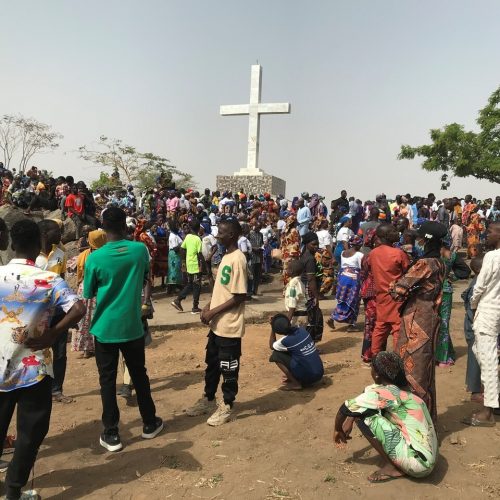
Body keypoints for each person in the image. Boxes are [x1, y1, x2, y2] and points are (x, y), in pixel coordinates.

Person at [0, 220, 85, 500]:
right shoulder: (48, 279)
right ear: (39, 244)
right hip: (33, 369)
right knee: (31, 432)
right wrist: (54, 333)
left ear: (12, 244)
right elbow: (78, 308)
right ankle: (14, 490)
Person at [83, 207, 163, 452]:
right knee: (139, 374)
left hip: (105, 327)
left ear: (103, 228)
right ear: (124, 226)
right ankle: (149, 422)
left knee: (107, 381)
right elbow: (145, 277)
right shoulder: (139, 250)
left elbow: (89, 292)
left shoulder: (94, 258)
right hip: (132, 326)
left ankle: (111, 433)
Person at [334, 352, 438, 483]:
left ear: (376, 375)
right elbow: (368, 392)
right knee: (369, 408)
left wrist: (338, 429)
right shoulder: (404, 390)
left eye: (372, 368)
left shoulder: (385, 393)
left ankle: (392, 466)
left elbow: (344, 408)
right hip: (430, 457)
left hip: (419, 465)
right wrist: (350, 419)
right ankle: (400, 460)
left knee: (365, 417)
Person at [186, 218, 247, 426]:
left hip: (229, 326)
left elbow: (239, 296)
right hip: (217, 326)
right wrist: (209, 306)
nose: (217, 236)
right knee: (211, 364)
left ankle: (227, 405)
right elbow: (223, 290)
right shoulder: (226, 257)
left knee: (228, 368)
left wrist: (213, 312)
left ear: (231, 235)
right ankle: (208, 399)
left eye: (221, 233)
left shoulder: (238, 259)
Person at [392, 221, 447, 423]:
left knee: (411, 369)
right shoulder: (440, 263)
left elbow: (397, 291)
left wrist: (393, 284)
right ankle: (427, 416)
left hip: (416, 319)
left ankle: (413, 420)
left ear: (425, 240)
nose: (418, 241)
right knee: (425, 369)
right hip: (431, 317)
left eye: (419, 238)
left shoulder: (424, 264)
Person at [463, 222, 500, 426]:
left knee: (487, 360)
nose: (486, 234)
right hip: (496, 311)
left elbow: (479, 286)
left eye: (490, 232)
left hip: (488, 311)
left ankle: (487, 412)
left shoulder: (492, 257)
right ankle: (495, 401)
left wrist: (473, 304)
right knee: (484, 353)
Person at [35, 220, 73, 404]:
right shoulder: (33, 256)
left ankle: (57, 390)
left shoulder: (61, 253)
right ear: (44, 234)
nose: (60, 234)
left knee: (60, 353)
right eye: (56, 231)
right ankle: (38, 390)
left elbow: (62, 280)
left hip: (57, 312)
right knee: (37, 352)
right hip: (38, 313)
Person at [369, 224, 410, 356]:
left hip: (381, 296)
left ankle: (375, 356)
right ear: (387, 236)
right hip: (397, 297)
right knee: (398, 328)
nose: (397, 232)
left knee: (380, 326)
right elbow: (408, 272)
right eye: (393, 231)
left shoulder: (373, 253)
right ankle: (398, 357)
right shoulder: (398, 253)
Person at [72, 229, 107, 358]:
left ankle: (86, 349)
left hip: (85, 290)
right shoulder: (107, 255)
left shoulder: (84, 255)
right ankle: (100, 347)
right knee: (99, 319)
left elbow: (74, 269)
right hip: (101, 290)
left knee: (85, 320)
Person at [435, 245, 470, 367]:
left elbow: (466, 271)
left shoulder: (451, 256)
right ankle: (444, 354)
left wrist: (452, 278)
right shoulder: (434, 253)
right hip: (433, 293)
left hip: (443, 292)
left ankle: (444, 358)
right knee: (437, 323)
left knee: (443, 323)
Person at [269, 314, 324, 390]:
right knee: (292, 351)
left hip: (310, 377)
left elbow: (272, 346)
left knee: (276, 355)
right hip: (320, 373)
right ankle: (295, 376)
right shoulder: (302, 330)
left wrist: (272, 327)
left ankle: (296, 384)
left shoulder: (285, 341)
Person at [461, 255, 484, 403]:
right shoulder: (477, 285)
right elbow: (472, 310)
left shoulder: (479, 281)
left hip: (475, 325)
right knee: (475, 358)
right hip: (474, 327)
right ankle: (475, 390)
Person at [329, 235, 363, 331]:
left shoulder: (343, 253)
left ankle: (332, 318)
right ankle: (351, 325)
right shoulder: (359, 255)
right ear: (359, 245)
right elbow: (362, 268)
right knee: (353, 301)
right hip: (353, 280)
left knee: (343, 300)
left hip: (342, 278)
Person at [171, 220, 204, 314]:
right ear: (198, 228)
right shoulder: (198, 239)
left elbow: (182, 249)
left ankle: (178, 300)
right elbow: (199, 254)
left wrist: (183, 262)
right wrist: (201, 265)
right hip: (195, 265)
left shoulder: (188, 237)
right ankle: (195, 307)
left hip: (189, 264)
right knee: (197, 285)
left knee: (191, 284)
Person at [300, 232, 323, 342]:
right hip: (309, 291)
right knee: (313, 319)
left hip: (304, 289)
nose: (316, 246)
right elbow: (311, 279)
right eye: (313, 244)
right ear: (307, 244)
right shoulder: (310, 259)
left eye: (317, 244)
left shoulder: (304, 255)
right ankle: (309, 344)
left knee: (309, 317)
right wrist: (316, 296)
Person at [283, 259, 307, 325]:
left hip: (297, 318)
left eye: (287, 268)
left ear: (291, 271)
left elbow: (292, 305)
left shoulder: (293, 285)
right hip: (303, 316)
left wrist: (287, 322)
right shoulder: (300, 282)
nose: (286, 270)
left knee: (295, 331)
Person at [280, 215, 301, 288]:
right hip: (292, 255)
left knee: (286, 271)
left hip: (285, 255)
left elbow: (282, 244)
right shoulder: (294, 231)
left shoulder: (284, 231)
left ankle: (286, 289)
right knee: (293, 272)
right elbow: (296, 243)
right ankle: (291, 289)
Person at [167, 223, 183, 292]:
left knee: (176, 269)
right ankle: (173, 287)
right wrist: (182, 245)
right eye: (176, 226)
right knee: (173, 270)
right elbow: (175, 248)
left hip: (176, 254)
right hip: (174, 254)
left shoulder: (175, 234)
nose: (178, 227)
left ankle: (176, 285)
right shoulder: (173, 236)